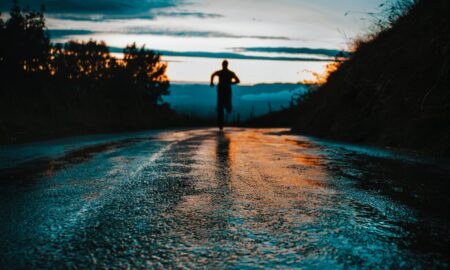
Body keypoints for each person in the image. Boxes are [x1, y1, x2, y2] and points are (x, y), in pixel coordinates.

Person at [210, 60, 240, 130]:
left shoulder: (229, 73)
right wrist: (211, 82)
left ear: (224, 65)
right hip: (222, 92)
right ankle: (220, 124)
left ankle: (228, 108)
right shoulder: (227, 73)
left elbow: (238, 80)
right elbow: (213, 75)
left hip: (225, 92)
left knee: (226, 107)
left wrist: (230, 82)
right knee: (220, 108)